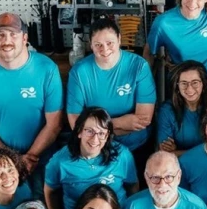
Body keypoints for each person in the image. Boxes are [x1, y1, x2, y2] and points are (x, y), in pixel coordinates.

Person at [0, 12, 63, 198]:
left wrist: (30, 158)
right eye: (0, 35)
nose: (7, 41)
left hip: (40, 159)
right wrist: (10, 159)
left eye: (13, 34)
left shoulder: (47, 69)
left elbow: (54, 124)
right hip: (0, 162)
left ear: (25, 38)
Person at [67, 16, 156, 173]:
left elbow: (143, 120)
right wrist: (122, 123)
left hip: (136, 147)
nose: (105, 49)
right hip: (97, 149)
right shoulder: (79, 72)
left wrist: (94, 129)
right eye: (98, 45)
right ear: (91, 46)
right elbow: (76, 124)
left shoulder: (139, 66)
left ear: (119, 39)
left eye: (109, 43)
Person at [44, 107, 138, 209]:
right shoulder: (59, 161)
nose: (95, 139)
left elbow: (133, 185)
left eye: (101, 133)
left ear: (107, 135)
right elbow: (50, 191)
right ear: (79, 131)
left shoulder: (122, 155)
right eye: (89, 131)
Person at [157, 60, 207, 155]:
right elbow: (166, 154)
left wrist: (177, 152)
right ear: (177, 86)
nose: (189, 88)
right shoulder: (167, 111)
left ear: (204, 84)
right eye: (184, 83)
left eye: (195, 82)